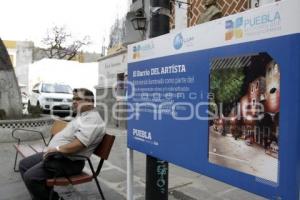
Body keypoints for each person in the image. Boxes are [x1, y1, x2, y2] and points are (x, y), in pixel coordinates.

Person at [19, 88, 105, 200]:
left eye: (78, 99)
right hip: (57, 156)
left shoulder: (92, 120)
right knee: (24, 164)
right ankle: (43, 196)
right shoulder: (82, 115)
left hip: (69, 161)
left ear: (89, 102)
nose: (74, 101)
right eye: (73, 98)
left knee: (31, 177)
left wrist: (56, 149)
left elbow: (78, 144)